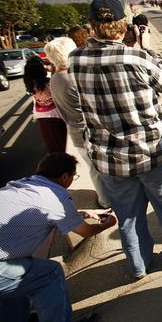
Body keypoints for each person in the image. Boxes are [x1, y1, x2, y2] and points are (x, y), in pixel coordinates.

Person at [68, 0, 162, 279]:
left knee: (129, 216)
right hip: (152, 153)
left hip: (109, 159)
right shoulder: (135, 57)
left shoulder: (74, 60)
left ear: (92, 25)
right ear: (123, 25)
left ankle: (139, 265)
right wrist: (147, 47)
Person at [0, 153, 117, 322]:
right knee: (49, 273)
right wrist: (109, 223)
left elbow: (48, 213)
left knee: (19, 277)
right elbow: (86, 232)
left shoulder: (21, 186)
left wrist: (82, 213)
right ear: (64, 177)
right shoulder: (56, 197)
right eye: (73, 176)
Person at [45, 37, 111, 209]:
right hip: (89, 133)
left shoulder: (54, 79)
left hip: (76, 132)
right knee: (99, 170)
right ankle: (106, 201)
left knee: (93, 169)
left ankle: (105, 199)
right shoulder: (72, 78)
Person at [23, 56, 67, 153]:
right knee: (62, 139)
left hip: (41, 115)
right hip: (56, 113)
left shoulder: (31, 85)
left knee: (51, 140)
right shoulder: (49, 82)